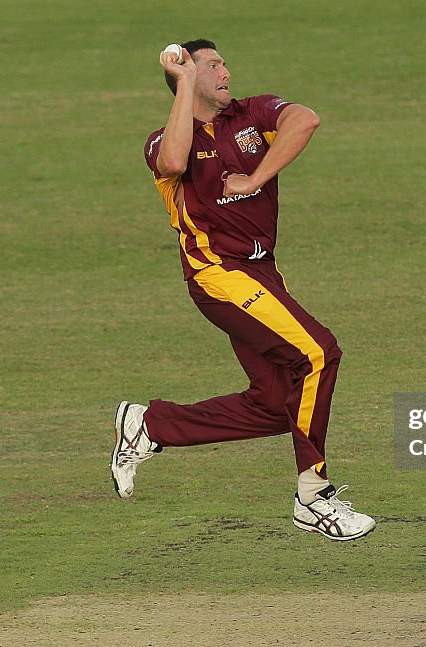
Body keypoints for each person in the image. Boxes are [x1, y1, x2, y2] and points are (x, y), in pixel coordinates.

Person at [111, 39, 375, 541]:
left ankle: (152, 426)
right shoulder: (165, 137)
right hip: (218, 276)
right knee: (319, 353)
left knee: (278, 404)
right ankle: (313, 497)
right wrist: (184, 83)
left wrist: (256, 177)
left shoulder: (252, 113)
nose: (226, 71)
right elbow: (171, 164)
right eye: (212, 66)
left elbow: (306, 119)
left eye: (223, 62)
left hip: (262, 273)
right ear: (187, 78)